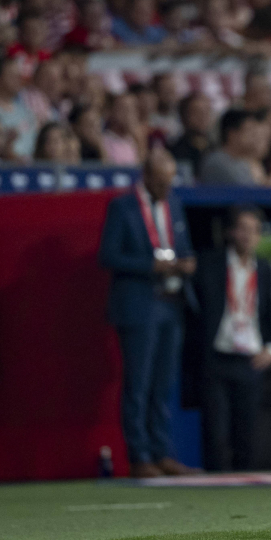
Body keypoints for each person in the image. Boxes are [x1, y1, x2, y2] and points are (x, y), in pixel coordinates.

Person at [99, 146, 199, 478]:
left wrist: (185, 262)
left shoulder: (174, 203)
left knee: (163, 384)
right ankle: (139, 456)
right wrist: (150, 265)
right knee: (138, 384)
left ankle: (161, 452)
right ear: (146, 175)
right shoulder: (123, 206)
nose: (166, 187)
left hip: (171, 303)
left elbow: (180, 243)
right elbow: (108, 256)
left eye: (169, 181)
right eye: (160, 181)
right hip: (140, 305)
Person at [195, 206, 271, 472]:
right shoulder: (210, 263)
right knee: (216, 431)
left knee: (248, 431)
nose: (247, 235)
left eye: (254, 230)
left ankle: (246, 489)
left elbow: (269, 312)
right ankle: (214, 489)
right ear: (231, 232)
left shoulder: (264, 269)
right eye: (242, 228)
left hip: (250, 360)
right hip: (217, 357)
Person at [199, 109, 258, 185]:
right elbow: (245, 193)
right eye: (249, 131)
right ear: (232, 134)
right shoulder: (217, 163)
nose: (254, 136)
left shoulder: (242, 163)